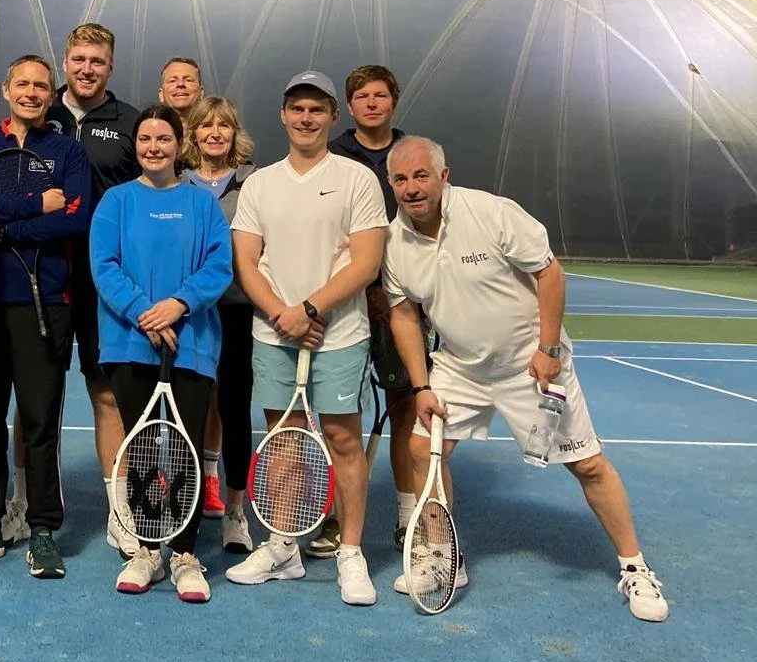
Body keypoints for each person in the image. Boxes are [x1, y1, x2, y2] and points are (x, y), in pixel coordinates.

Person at [381, 136, 670, 622]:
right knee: (420, 451)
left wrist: (548, 348)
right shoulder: (393, 242)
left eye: (421, 176)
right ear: (391, 184)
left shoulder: (491, 212)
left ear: (444, 176)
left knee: (589, 465)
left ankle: (635, 567)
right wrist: (422, 385)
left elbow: (549, 273)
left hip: (528, 363)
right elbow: (405, 315)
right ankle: (445, 556)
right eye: (401, 179)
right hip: (459, 365)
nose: (411, 188)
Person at [225, 71, 387, 606]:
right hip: (273, 334)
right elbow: (246, 261)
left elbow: (366, 261)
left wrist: (312, 308)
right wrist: (282, 315)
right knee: (285, 441)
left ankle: (351, 552)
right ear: (283, 115)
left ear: (332, 117)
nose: (306, 118)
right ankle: (284, 548)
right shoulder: (260, 183)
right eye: (297, 109)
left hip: (340, 334)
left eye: (317, 110)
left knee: (343, 440)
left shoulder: (357, 178)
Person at [0, 55, 92, 578]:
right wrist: (35, 203)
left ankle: (43, 528)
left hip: (45, 308)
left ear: (52, 93)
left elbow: (76, 217)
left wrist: (5, 231)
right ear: (5, 89)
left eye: (41, 86)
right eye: (22, 84)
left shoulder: (67, 151)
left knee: (39, 421)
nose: (31, 92)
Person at [91, 105, 233, 601]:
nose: (154, 147)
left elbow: (219, 265)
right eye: (146, 139)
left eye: (164, 139)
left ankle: (187, 555)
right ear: (136, 146)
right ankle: (148, 549)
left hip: (191, 345)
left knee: (187, 450)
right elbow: (104, 265)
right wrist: (143, 313)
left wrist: (177, 305)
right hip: (129, 344)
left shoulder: (203, 204)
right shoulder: (115, 201)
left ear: (179, 145)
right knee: (146, 446)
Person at [48, 23, 141, 556]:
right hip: (44, 281)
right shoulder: (40, 113)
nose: (87, 69)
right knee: (41, 400)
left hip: (107, 285)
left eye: (98, 61)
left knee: (106, 395)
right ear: (65, 61)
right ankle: (27, 503)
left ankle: (121, 510)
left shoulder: (129, 123)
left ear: (110, 66)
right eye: (79, 59)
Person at [323, 64, 417, 555]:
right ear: (351, 105)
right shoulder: (332, 154)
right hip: (344, 304)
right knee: (335, 415)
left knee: (406, 407)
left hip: (400, 305)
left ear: (392, 102)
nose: (373, 103)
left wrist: (397, 293)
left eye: (381, 95)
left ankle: (408, 516)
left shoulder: (412, 155)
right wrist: (359, 289)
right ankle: (332, 519)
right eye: (363, 96)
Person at [180, 96, 258, 553]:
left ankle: (235, 511)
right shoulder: (176, 182)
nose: (214, 133)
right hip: (189, 314)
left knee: (233, 406)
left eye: (223, 126)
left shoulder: (255, 182)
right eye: (205, 125)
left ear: (234, 133)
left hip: (237, 311)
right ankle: (185, 499)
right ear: (193, 133)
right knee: (187, 409)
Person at [158, 57, 227, 520]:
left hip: (217, 308)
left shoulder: (246, 176)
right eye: (173, 81)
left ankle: (210, 476)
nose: (181, 87)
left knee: (214, 394)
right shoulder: (159, 162)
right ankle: (165, 476)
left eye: (189, 81)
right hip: (159, 311)